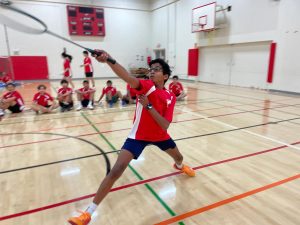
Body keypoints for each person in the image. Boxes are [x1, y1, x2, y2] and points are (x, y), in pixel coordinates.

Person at [67, 52, 195, 225]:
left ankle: (179, 166)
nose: (152, 72)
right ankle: (88, 213)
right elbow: (127, 77)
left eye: (156, 70)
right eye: (151, 69)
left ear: (165, 76)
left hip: (160, 135)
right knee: (116, 169)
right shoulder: (146, 86)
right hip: (138, 136)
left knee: (179, 157)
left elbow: (165, 125)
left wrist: (148, 106)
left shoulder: (170, 97)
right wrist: (109, 60)